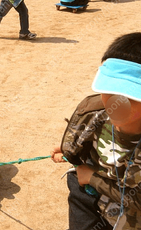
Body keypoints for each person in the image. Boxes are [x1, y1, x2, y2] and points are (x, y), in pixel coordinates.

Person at [52, 32, 141, 230]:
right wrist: (68, 150)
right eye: (110, 89)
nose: (117, 103)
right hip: (90, 196)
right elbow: (78, 141)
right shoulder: (93, 112)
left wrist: (92, 177)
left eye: (130, 95)